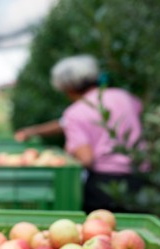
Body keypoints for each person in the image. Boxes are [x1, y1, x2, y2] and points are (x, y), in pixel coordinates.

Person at [15, 54, 144, 213]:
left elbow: (86, 158)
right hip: (141, 178)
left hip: (104, 186)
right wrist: (32, 131)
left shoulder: (76, 112)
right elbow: (66, 123)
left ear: (68, 88)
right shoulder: (124, 97)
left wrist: (65, 155)